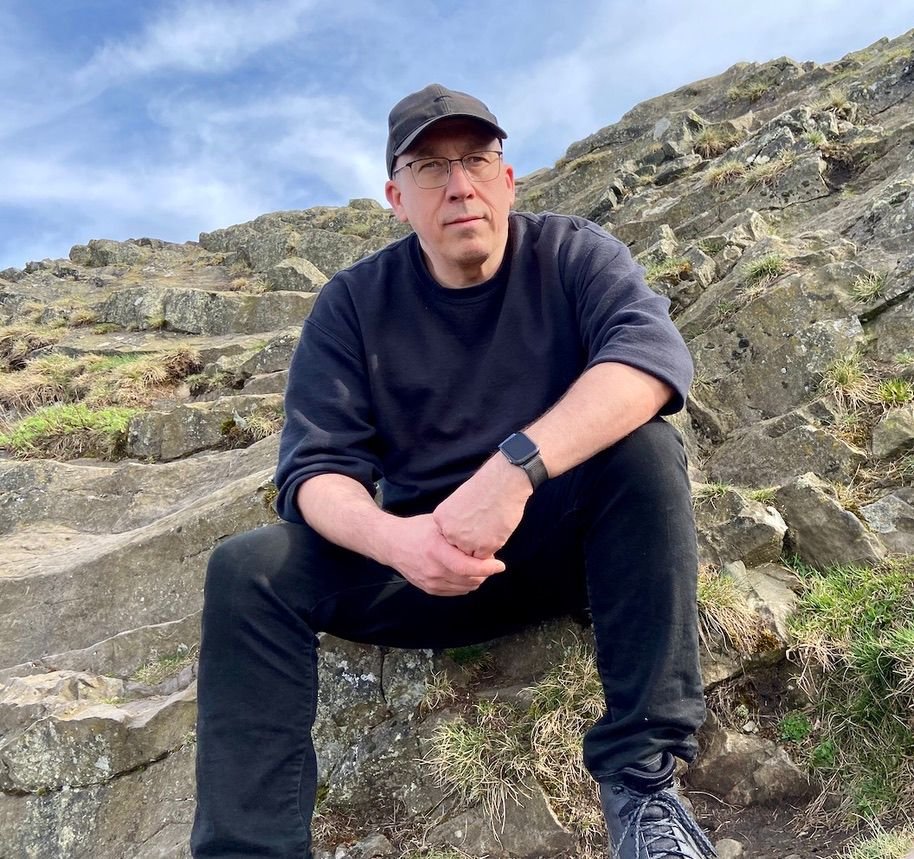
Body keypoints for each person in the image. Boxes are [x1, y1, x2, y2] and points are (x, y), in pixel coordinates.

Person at [191, 83, 716, 859]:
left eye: (476, 159)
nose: (459, 185)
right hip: (420, 571)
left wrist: (512, 473)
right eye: (431, 167)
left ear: (508, 178)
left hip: (564, 552)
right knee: (247, 567)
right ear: (396, 196)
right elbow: (313, 473)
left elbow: (651, 363)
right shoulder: (352, 305)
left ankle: (642, 788)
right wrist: (399, 542)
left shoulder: (574, 253)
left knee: (643, 448)